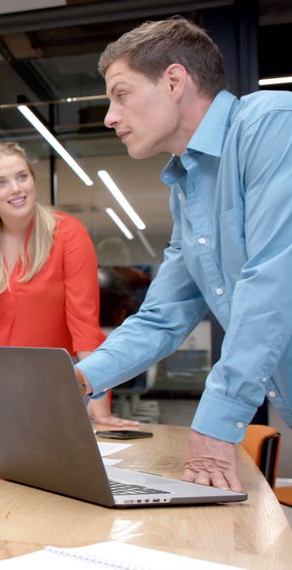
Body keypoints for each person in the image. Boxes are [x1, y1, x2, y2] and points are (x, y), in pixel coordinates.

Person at [75, 16, 292, 491]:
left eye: (121, 93)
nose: (110, 116)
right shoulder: (187, 185)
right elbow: (163, 317)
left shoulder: (272, 127)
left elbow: (273, 287)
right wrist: (79, 380)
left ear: (174, 81)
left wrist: (217, 422)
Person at [0, 142, 136, 427]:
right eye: (1, 182)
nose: (16, 188)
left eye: (22, 176)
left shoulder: (68, 234)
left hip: (50, 384)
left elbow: (83, 324)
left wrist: (99, 402)